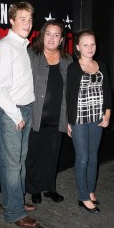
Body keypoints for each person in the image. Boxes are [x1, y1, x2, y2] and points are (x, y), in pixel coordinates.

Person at [0, 2, 39, 228]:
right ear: (11, 20)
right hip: (12, 112)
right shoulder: (5, 47)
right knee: (12, 165)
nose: (27, 24)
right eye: (22, 19)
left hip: (24, 109)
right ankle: (14, 213)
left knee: (17, 163)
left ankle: (14, 201)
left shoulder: (21, 46)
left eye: (30, 19)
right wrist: (16, 114)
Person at [26, 20, 73, 204]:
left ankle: (50, 189)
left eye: (56, 35)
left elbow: (71, 91)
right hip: (35, 116)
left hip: (57, 117)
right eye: (48, 34)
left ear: (61, 39)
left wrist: (70, 119)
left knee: (52, 155)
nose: (52, 38)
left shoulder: (67, 60)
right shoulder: (31, 55)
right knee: (34, 156)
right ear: (42, 35)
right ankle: (35, 189)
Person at [67, 30, 112, 213]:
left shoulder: (101, 65)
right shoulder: (73, 67)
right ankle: (83, 196)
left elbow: (108, 93)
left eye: (92, 44)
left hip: (97, 119)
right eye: (85, 44)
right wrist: (68, 122)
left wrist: (107, 115)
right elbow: (69, 96)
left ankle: (91, 190)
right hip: (79, 119)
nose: (90, 48)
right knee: (83, 157)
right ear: (78, 47)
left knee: (93, 157)